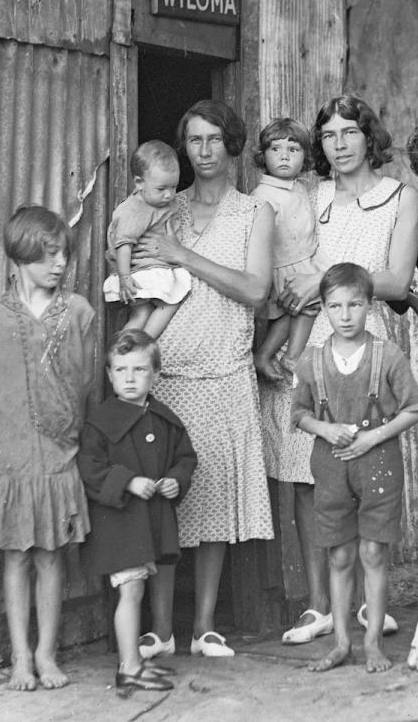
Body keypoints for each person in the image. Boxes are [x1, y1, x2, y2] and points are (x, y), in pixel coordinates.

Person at [266, 95, 418, 646]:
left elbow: (399, 281)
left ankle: (361, 605)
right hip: (316, 337)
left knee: (366, 465)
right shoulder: (312, 197)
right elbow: (291, 268)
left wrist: (326, 279)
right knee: (312, 474)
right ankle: (319, 605)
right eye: (328, 135)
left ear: (368, 137)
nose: (339, 143)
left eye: (350, 132)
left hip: (371, 336)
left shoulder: (399, 197)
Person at [130, 100, 275, 660]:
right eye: (194, 140)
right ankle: (162, 629)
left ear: (232, 143)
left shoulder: (254, 212)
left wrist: (182, 255)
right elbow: (142, 272)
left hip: (224, 373)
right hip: (167, 374)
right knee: (168, 502)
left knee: (213, 498)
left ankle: (206, 625)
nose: (205, 150)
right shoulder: (164, 204)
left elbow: (255, 290)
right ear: (182, 147)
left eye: (215, 138)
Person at [0, 205, 95, 690]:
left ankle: (47, 654)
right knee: (14, 556)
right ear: (20, 256)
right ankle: (19, 658)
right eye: (48, 254)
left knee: (51, 556)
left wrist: (70, 437)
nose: (59, 264)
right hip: (10, 449)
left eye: (63, 254)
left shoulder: (78, 310)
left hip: (57, 451)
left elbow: (82, 383)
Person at [291, 263, 418, 673]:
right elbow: (298, 413)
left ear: (369, 305)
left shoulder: (386, 354)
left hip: (379, 464)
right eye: (335, 306)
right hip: (331, 468)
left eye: (354, 304)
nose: (345, 315)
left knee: (372, 551)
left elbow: (416, 408)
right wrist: (325, 427)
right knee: (339, 555)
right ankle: (340, 644)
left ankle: (372, 644)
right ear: (323, 309)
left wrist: (374, 436)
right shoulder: (312, 361)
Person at [77, 329, 197, 692]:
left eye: (140, 370)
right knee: (129, 591)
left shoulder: (163, 418)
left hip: (150, 521)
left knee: (138, 589)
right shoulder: (100, 422)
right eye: (121, 370)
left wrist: (176, 479)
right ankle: (129, 666)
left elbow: (185, 457)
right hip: (120, 524)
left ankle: (135, 661)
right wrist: (127, 481)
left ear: (156, 374)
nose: (130, 378)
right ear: (110, 375)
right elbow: (89, 466)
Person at [250, 118, 323, 382]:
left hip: (304, 261)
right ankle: (291, 356)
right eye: (275, 149)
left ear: (305, 157)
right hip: (284, 266)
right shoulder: (262, 196)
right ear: (263, 155)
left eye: (293, 150)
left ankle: (267, 355)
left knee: (290, 314)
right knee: (304, 307)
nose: (284, 157)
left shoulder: (303, 188)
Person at [102, 141, 191, 338]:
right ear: (139, 183)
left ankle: (125, 348)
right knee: (172, 301)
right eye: (161, 189)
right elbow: (123, 244)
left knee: (141, 313)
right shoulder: (135, 210)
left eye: (174, 187)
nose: (169, 194)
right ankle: (143, 342)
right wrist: (125, 277)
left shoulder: (158, 203)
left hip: (150, 268)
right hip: (142, 272)